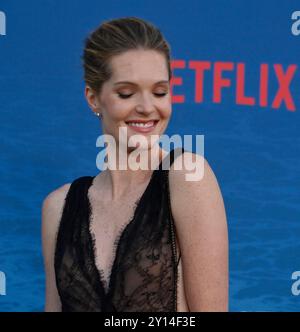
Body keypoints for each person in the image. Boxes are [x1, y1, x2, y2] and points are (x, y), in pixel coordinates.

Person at [41, 16, 228, 312]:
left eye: (160, 92)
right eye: (126, 93)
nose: (147, 107)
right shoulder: (58, 207)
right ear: (93, 98)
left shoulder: (187, 176)